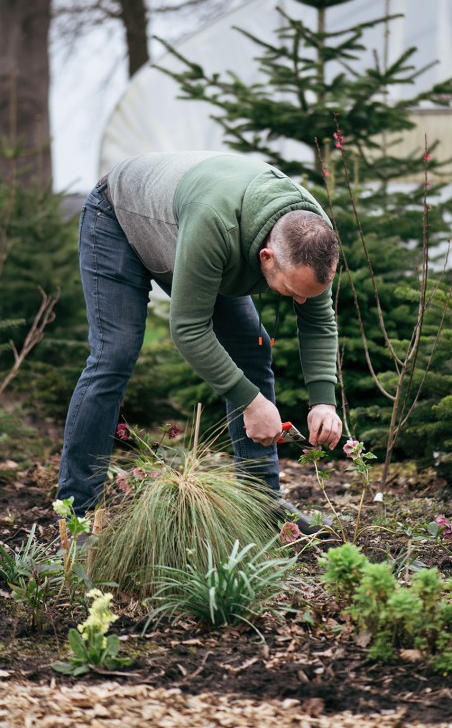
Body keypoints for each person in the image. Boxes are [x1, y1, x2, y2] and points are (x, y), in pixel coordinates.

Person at [57, 150, 342, 533]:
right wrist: (252, 402)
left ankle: (262, 508)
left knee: (250, 350)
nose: (301, 301)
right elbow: (189, 328)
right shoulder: (216, 226)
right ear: (266, 257)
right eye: (292, 291)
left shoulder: (311, 236)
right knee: (114, 355)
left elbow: (319, 320)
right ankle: (75, 516)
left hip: (188, 227)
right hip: (120, 216)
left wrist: (324, 400)